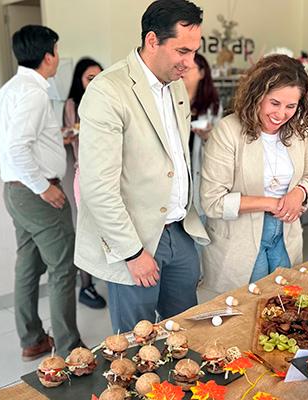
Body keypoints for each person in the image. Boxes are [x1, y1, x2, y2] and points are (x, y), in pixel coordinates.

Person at [75, 0, 209, 333]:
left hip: (180, 231)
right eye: (182, 51)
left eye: (194, 51)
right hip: (136, 240)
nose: (189, 63)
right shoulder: (107, 91)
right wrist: (133, 253)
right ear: (152, 41)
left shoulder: (176, 86)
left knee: (186, 335)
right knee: (138, 344)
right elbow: (97, 187)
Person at [0, 24, 83, 360]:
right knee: (62, 267)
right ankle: (69, 346)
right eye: (56, 51)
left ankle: (32, 340)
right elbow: (18, 147)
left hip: (16, 192)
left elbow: (20, 142)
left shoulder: (9, 89)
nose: (58, 57)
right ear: (48, 56)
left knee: (28, 265)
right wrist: (44, 187)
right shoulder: (34, 92)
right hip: (35, 193)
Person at [200, 55, 308, 292]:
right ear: (257, 96)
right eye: (274, 103)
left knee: (284, 310)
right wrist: (272, 203)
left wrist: (300, 193)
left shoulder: (302, 128)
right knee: (247, 314)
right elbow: (212, 201)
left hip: (285, 237)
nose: (282, 114)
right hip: (239, 242)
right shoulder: (228, 130)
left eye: (291, 106)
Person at [62, 57, 107, 309]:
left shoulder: (105, 100)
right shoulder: (72, 104)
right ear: (80, 80)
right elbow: (69, 133)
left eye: (99, 76)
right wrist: (72, 133)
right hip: (85, 172)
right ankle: (86, 286)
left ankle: (111, 280)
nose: (96, 81)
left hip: (108, 173)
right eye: (90, 77)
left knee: (110, 228)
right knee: (88, 229)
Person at [182, 52, 220, 218]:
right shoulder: (171, 99)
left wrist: (207, 136)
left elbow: (219, 148)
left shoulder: (212, 106)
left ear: (202, 73)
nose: (183, 71)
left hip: (198, 170)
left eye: (189, 68)